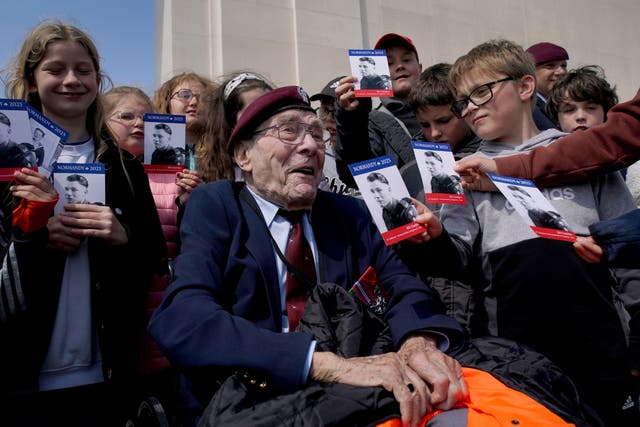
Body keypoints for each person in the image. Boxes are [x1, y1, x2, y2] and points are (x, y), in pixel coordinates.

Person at [148, 86, 467, 427]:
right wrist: (323, 364)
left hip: (355, 404)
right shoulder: (217, 204)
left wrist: (417, 342)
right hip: (248, 401)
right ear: (244, 156)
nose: (311, 146)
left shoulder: (350, 213)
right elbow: (184, 318)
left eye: (317, 134)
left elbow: (400, 283)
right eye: (289, 131)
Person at [408, 39, 640, 425]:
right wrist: (433, 237)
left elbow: (630, 260)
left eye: (482, 92)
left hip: (602, 352)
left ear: (526, 86)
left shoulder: (585, 154)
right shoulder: (462, 173)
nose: (471, 108)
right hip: (516, 359)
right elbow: (457, 260)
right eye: (463, 101)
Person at [0, 21, 166, 426]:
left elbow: (155, 262)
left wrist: (122, 236)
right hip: (20, 369)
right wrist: (35, 238)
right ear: (31, 80)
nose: (72, 80)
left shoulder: (124, 165)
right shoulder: (8, 159)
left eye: (84, 70)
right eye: (56, 69)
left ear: (97, 79)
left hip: (104, 370)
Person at [334, 33, 423, 187]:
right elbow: (360, 174)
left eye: (407, 60)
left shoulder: (447, 109)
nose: (400, 66)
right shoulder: (371, 121)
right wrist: (351, 119)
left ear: (420, 68)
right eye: (389, 63)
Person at [153, 72, 215, 206]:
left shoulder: (222, 150)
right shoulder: (148, 150)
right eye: (184, 95)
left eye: (204, 98)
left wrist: (206, 191)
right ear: (167, 102)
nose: (194, 102)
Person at [206, 71, 275, 181]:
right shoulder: (213, 171)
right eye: (253, 112)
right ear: (231, 120)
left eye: (271, 110)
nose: (265, 119)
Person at [310, 76, 358, 196]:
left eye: (338, 111)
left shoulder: (376, 150)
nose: (330, 119)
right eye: (325, 110)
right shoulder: (316, 152)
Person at [526, 42, 569, 129]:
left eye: (563, 65)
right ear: (530, 71)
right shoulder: (529, 109)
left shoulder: (561, 103)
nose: (561, 72)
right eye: (550, 66)